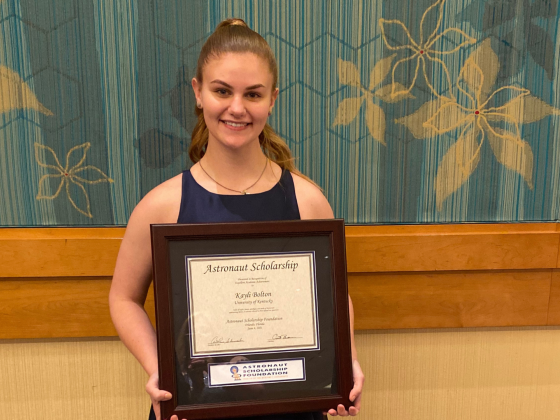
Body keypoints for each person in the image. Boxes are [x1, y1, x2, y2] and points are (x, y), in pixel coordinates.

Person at [109, 18, 364, 420]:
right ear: (197, 92)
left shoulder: (308, 201)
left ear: (272, 99)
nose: (237, 108)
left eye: (253, 94)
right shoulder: (161, 206)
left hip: (291, 406)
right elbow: (123, 299)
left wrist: (344, 363)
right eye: (222, 91)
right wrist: (159, 369)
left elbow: (334, 300)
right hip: (194, 407)